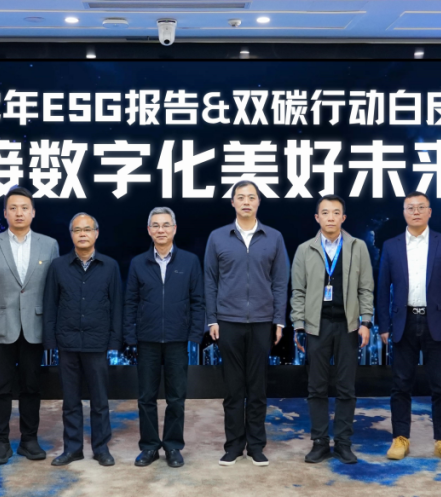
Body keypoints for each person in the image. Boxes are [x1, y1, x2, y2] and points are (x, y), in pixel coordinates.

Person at [204, 180, 290, 467]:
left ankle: (256, 446)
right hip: (228, 321)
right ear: (232, 203)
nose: (246, 202)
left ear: (258, 202)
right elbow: (210, 280)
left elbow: (280, 281)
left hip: (262, 322)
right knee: (233, 389)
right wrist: (212, 319)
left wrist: (279, 320)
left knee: (257, 388)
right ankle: (233, 446)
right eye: (240, 197)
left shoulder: (274, 237)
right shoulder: (218, 237)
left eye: (251, 197)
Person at [376, 191, 441, 465]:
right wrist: (384, 325)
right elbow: (382, 289)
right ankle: (400, 438)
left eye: (420, 207)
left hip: (437, 323)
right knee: (401, 385)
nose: (415, 212)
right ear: (404, 212)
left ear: (429, 212)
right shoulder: (391, 246)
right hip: (403, 322)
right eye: (410, 208)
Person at [0, 186, 59, 465]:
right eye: (13, 208)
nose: (19, 213)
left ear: (33, 212)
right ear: (5, 213)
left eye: (24, 208)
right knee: (0, 388)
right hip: (0, 329)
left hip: (35, 327)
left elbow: (54, 292)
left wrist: (51, 329)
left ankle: (28, 440)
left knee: (31, 387)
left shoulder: (49, 245)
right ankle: (0, 442)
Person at [290, 195, 374, 465]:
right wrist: (299, 325)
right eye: (325, 212)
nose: (330, 217)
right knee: (316, 387)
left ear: (343, 218)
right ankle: (319, 443)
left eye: (336, 212)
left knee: (346, 387)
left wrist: (366, 322)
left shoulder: (358, 247)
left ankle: (344, 443)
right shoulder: (305, 250)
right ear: (317, 218)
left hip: (348, 326)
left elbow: (366, 288)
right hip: (317, 327)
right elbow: (298, 291)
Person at [124, 207, 205, 468]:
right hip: (147, 340)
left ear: (174, 229)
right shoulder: (138, 263)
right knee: (146, 397)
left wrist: (195, 335)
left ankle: (172, 446)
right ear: (149, 230)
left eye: (166, 225)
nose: (161, 230)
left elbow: (198, 301)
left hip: (177, 340)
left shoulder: (190, 261)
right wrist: (130, 336)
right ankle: (149, 447)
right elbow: (130, 302)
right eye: (156, 225)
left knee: (176, 397)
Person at [43, 213, 122, 468]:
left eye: (87, 229)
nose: (83, 234)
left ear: (96, 233)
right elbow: (50, 305)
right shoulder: (58, 266)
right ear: (71, 235)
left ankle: (101, 448)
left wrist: (114, 342)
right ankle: (73, 448)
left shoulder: (110, 266)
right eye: (78, 230)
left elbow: (117, 306)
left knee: (100, 401)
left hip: (97, 343)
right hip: (67, 342)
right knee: (70, 401)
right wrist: (50, 341)